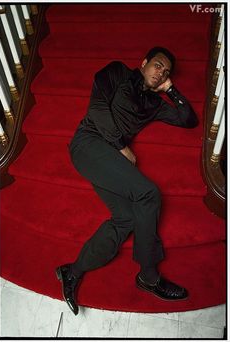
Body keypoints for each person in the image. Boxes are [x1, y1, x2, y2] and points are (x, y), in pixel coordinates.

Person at [56, 47, 199, 315]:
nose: (161, 73)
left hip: (111, 161)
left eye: (166, 72)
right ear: (144, 63)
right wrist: (122, 146)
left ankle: (71, 271)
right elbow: (97, 108)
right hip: (90, 144)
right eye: (158, 66)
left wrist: (170, 89)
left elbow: (188, 119)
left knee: (127, 219)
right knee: (149, 194)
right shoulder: (118, 72)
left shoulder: (154, 104)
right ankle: (149, 276)